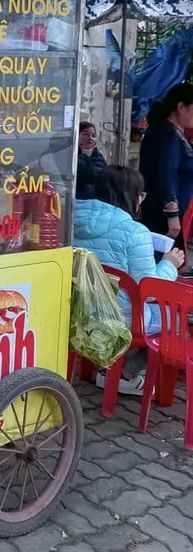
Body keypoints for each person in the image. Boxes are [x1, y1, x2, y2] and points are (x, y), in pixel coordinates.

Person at [74, 165, 184, 395]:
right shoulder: (135, 232)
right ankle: (126, 373)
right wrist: (169, 264)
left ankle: (106, 365)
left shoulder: (72, 218)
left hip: (78, 309)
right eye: (141, 195)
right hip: (119, 318)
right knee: (175, 318)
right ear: (132, 196)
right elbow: (151, 292)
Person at [140, 83, 193, 252]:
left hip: (163, 211)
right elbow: (166, 174)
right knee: (165, 258)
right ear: (181, 107)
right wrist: (172, 214)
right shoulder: (168, 134)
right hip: (163, 215)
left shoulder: (168, 131)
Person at [76, 122, 106, 199]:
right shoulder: (71, 156)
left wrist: (86, 157)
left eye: (93, 135)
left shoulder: (98, 157)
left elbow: (97, 178)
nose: (90, 138)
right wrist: (85, 157)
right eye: (85, 134)